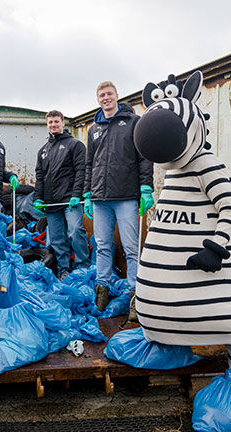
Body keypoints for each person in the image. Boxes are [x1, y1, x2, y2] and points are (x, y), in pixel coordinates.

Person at [84, 81, 153, 317]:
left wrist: (146, 187)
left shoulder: (134, 122)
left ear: (116, 96)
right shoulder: (94, 129)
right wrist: (86, 193)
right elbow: (89, 164)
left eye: (109, 94)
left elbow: (144, 156)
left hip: (125, 196)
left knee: (132, 248)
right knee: (102, 246)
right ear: (98, 99)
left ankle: (136, 296)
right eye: (101, 95)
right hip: (100, 198)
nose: (105, 98)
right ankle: (101, 291)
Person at [32, 110, 90, 280]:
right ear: (47, 125)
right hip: (51, 203)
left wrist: (77, 194)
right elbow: (40, 177)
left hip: (70, 201)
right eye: (50, 122)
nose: (53, 125)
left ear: (63, 123)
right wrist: (37, 198)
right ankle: (63, 269)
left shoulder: (75, 145)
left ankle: (83, 268)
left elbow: (82, 171)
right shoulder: (43, 150)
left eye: (56, 122)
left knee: (75, 231)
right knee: (57, 239)